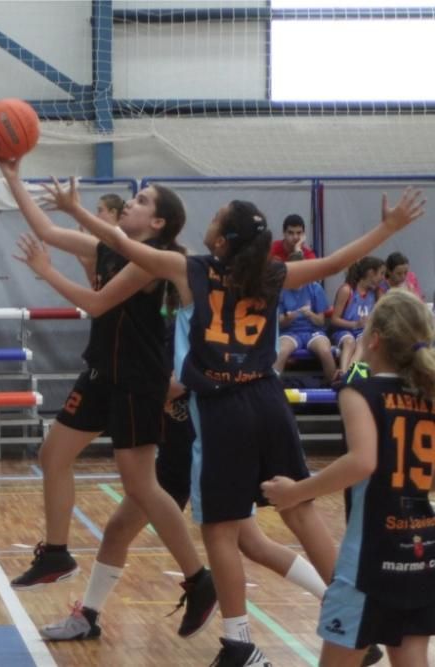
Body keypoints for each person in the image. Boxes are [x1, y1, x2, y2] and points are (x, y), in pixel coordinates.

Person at [60, 187, 425, 665]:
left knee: (219, 530)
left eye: (215, 218)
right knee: (301, 511)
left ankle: (237, 642)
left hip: (222, 407)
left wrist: (73, 211)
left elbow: (126, 247)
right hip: (269, 399)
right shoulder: (273, 274)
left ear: (222, 239)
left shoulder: (195, 271)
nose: (208, 222)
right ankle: (356, 610)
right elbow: (336, 260)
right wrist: (390, 228)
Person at [35, 283, 336, 655]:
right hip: (174, 463)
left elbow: (177, 384)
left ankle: (328, 602)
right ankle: (89, 616)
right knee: (116, 531)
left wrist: (122, 388)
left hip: (209, 453)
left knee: (251, 542)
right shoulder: (150, 331)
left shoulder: (188, 333)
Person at [0, 162, 217, 638]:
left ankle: (200, 580)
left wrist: (47, 272)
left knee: (141, 487)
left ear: (157, 223)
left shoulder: (150, 260)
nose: (130, 203)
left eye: (141, 201)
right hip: (100, 373)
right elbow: (46, 228)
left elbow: (95, 305)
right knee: (53, 453)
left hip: (138, 382)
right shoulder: (108, 247)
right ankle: (56, 553)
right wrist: (12, 176)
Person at [262, 290, 435, 667]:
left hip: (370, 560)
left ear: (372, 340)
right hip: (421, 552)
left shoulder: (361, 391)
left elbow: (362, 462)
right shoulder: (427, 397)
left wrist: (296, 491)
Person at [274, 250, 337, 380]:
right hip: (290, 332)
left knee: (326, 351)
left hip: (313, 331)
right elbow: (278, 322)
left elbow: (321, 321)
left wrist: (310, 315)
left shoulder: (315, 288)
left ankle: (335, 388)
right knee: (281, 352)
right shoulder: (280, 289)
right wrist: (287, 319)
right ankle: (271, 391)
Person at [331, 256, 384, 380]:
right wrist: (355, 324)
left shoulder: (376, 293)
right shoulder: (347, 290)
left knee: (362, 341)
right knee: (350, 342)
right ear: (371, 273)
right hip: (343, 331)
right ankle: (344, 373)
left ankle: (348, 375)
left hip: (363, 332)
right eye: (381, 274)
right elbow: (334, 319)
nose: (383, 278)